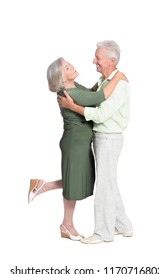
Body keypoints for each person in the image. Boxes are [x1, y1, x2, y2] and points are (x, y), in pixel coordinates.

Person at [28, 56, 126, 241]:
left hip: (80, 143)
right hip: (75, 144)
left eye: (69, 64)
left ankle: (43, 186)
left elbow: (91, 92)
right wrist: (117, 77)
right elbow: (99, 97)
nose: (72, 66)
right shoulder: (69, 93)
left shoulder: (74, 88)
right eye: (67, 67)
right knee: (75, 183)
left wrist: (102, 81)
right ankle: (67, 225)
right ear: (61, 78)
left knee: (82, 181)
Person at [58, 40, 133, 244]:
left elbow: (101, 114)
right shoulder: (105, 81)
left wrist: (74, 108)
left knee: (104, 186)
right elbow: (93, 95)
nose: (94, 61)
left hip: (108, 138)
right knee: (109, 183)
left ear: (112, 60)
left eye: (98, 58)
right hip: (102, 138)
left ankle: (103, 233)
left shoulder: (120, 84)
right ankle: (123, 225)